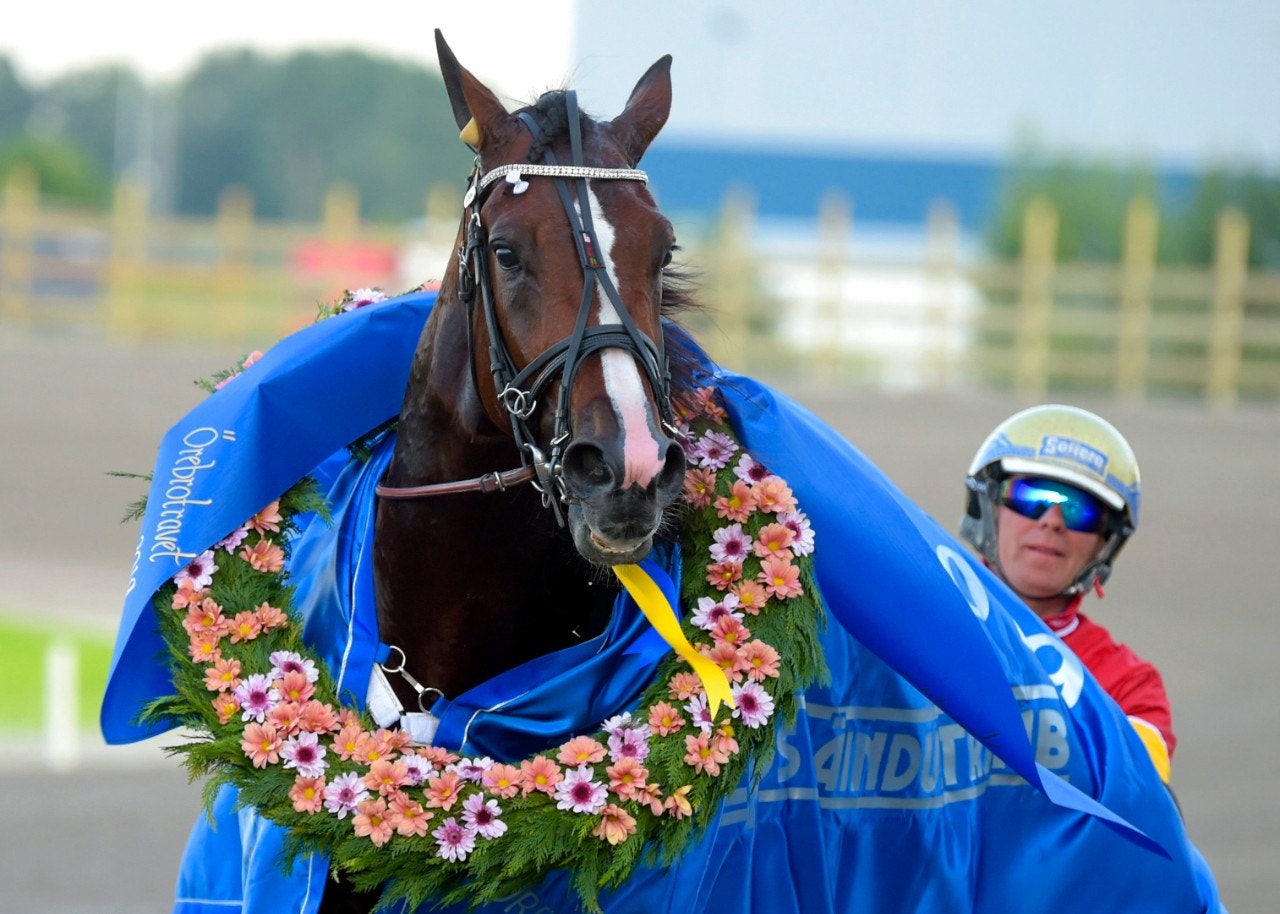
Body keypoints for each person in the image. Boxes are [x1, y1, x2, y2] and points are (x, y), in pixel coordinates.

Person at [960, 403, 1175, 784]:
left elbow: (1134, 793)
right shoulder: (910, 613)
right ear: (990, 507)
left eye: (1080, 511)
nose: (1052, 521)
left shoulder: (1129, 686)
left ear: (1104, 543)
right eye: (1030, 497)